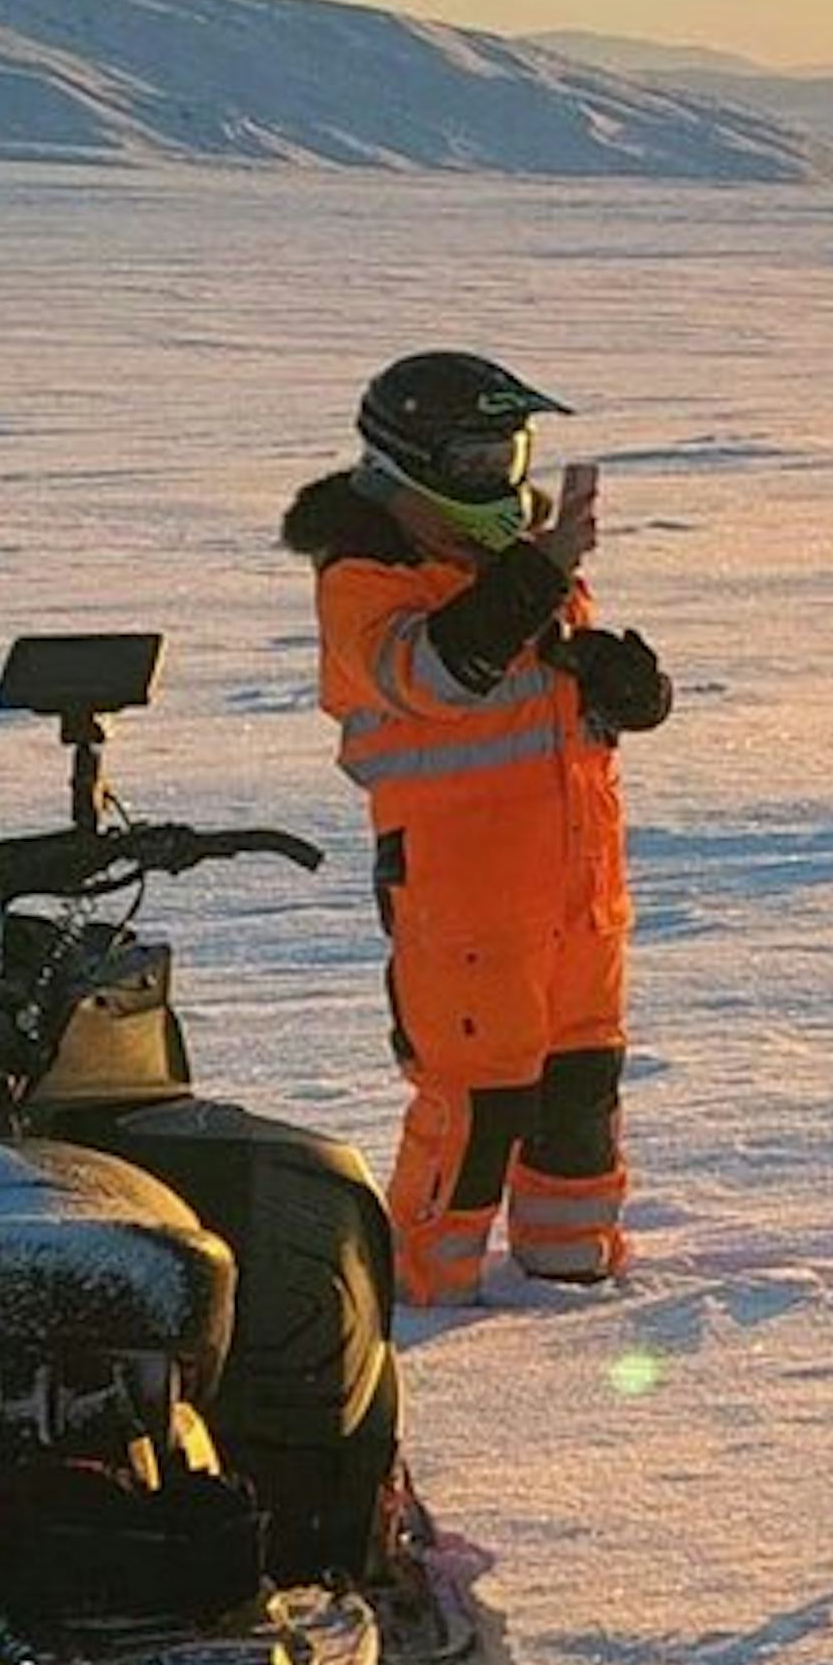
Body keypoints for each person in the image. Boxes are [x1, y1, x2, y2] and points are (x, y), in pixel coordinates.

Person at [280, 351, 671, 1306]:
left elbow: (547, 699)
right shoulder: (368, 578)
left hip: (579, 886)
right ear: (408, 464)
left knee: (581, 1084)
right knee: (478, 1099)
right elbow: (446, 674)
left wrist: (623, 688)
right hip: (466, 898)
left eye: (509, 455)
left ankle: (572, 1262)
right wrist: (540, 571)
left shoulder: (518, 563)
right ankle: (419, 1286)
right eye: (474, 463)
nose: (499, 480)